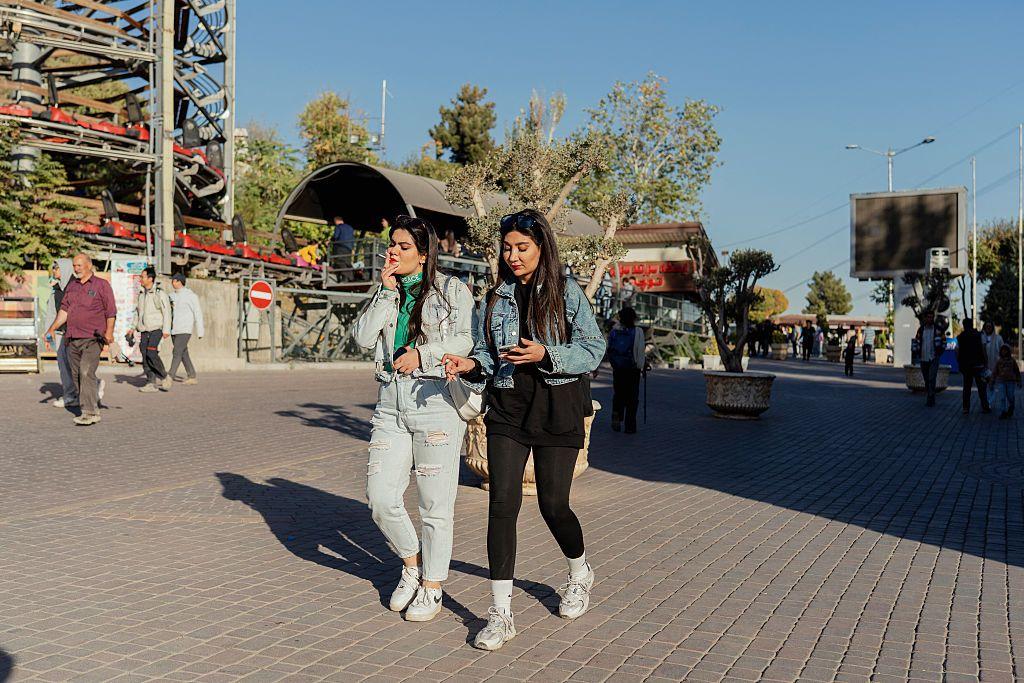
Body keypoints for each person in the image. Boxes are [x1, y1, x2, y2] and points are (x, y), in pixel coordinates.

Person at [443, 209, 605, 651]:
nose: (512, 255)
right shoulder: (496, 298)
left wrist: (546, 355)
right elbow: (486, 354)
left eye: (522, 247)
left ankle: (579, 572)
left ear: (541, 248)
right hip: (508, 408)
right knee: (502, 503)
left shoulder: (568, 293)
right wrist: (469, 365)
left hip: (558, 406)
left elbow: (593, 348)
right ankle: (500, 614)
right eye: (507, 247)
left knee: (554, 505)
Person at [352, 215, 475, 623]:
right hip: (390, 402)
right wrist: (385, 294)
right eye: (392, 244)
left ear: (424, 255)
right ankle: (411, 565)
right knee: (381, 497)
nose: (394, 251)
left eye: (404, 247)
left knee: (434, 505)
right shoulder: (387, 291)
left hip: (435, 400)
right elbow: (362, 337)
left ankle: (433, 586)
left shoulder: (452, 290)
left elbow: (465, 339)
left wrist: (423, 354)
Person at [44, 254, 116, 426]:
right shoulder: (72, 287)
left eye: (79, 265)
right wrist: (52, 329)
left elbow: (111, 311)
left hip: (93, 338)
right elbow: (65, 311)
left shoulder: (102, 285)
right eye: (74, 266)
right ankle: (91, 398)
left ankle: (90, 412)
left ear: (89, 265)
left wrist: (110, 333)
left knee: (85, 372)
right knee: (76, 375)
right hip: (72, 338)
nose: (76, 268)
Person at [607, 307, 647, 433]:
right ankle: (630, 426)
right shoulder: (638, 331)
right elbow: (640, 352)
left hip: (618, 368)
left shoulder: (614, 332)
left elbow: (609, 349)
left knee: (618, 394)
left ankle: (617, 417)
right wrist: (642, 365)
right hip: (632, 368)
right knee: (632, 397)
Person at [45, 261, 79, 409]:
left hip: (76, 332)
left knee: (77, 364)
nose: (54, 270)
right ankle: (70, 395)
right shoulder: (56, 289)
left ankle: (92, 386)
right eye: (53, 268)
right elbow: (52, 312)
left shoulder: (77, 287)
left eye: (56, 267)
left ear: (64, 269)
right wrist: (48, 333)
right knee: (63, 365)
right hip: (60, 332)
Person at [134, 266, 172, 392]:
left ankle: (164, 376)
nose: (140, 279)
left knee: (151, 352)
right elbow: (138, 313)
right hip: (144, 329)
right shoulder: (141, 294)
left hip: (156, 328)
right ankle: (151, 383)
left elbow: (167, 312)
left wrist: (166, 329)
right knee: (145, 355)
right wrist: (133, 328)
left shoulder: (159, 294)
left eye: (142, 276)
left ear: (150, 278)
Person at [168, 273, 204, 385]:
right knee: (183, 352)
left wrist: (200, 330)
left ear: (180, 282)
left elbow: (198, 313)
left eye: (174, 280)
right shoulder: (171, 296)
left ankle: (170, 377)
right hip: (174, 329)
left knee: (177, 352)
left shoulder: (191, 296)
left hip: (185, 329)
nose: (172, 282)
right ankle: (192, 376)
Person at [956, 318, 992, 415]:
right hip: (978, 365)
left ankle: (966, 408)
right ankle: (985, 406)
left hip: (966, 366)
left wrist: (959, 362)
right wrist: (986, 362)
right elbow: (984, 349)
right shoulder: (980, 335)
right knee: (981, 387)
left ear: (964, 325)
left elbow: (957, 351)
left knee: (967, 387)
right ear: (972, 324)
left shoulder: (960, 337)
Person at [913, 311, 946, 407]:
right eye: (928, 317)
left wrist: (939, 353)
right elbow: (916, 341)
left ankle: (931, 398)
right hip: (923, 358)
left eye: (932, 317)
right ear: (925, 318)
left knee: (932, 378)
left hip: (934, 358)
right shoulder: (921, 329)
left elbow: (944, 342)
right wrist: (916, 352)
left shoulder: (939, 330)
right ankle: (929, 394)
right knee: (926, 379)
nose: (930, 319)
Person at [993, 344, 1021, 419]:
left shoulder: (1012, 361)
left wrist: (1019, 381)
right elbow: (995, 372)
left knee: (1010, 396)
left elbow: (1017, 371)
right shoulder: (999, 361)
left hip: (1010, 382)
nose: (1004, 352)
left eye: (1005, 350)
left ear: (1008, 351)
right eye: (1002, 350)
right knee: (1002, 397)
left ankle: (1011, 406)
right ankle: (1003, 411)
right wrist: (992, 381)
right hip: (1001, 381)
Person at [981, 321, 1003, 406]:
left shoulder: (998, 338)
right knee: (983, 386)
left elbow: (1002, 350)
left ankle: (989, 402)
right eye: (987, 326)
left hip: (994, 366)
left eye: (990, 327)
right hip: (983, 366)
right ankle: (985, 402)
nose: (988, 328)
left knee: (991, 384)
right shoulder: (981, 337)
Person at [331, 216, 355, 281]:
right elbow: (353, 239)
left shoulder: (339, 227)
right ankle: (351, 278)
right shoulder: (350, 228)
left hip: (341, 246)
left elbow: (336, 236)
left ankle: (345, 278)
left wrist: (330, 241)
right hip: (349, 248)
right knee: (348, 262)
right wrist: (352, 248)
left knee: (340, 262)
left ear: (336, 221)